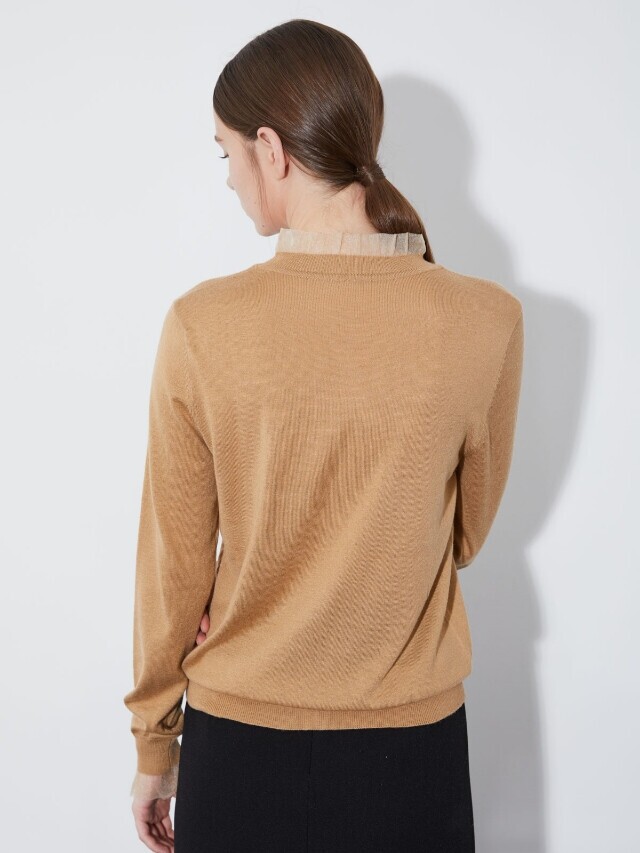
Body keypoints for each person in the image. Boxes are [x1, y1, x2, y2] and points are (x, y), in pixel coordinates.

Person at [123, 18, 524, 853]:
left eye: (227, 152)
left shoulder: (202, 325)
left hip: (240, 751)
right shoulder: (485, 320)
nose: (229, 177)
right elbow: (463, 535)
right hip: (412, 757)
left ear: (271, 150)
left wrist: (155, 747)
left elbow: (175, 568)